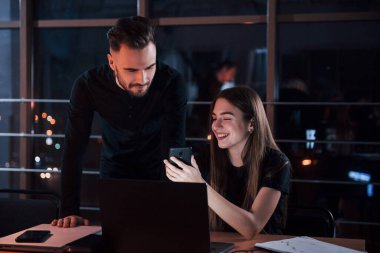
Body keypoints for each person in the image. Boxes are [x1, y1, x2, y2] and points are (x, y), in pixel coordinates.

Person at [52, 16, 187, 227]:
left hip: (158, 173)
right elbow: (73, 149)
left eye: (150, 67)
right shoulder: (88, 85)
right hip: (114, 174)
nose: (143, 79)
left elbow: (174, 147)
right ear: (112, 62)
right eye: (132, 70)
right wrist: (68, 211)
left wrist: (174, 206)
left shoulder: (172, 82)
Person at [164, 86, 291, 239]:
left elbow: (251, 227)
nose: (215, 126)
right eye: (214, 118)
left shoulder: (276, 163)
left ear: (251, 123)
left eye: (226, 118)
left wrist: (200, 184)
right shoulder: (204, 159)